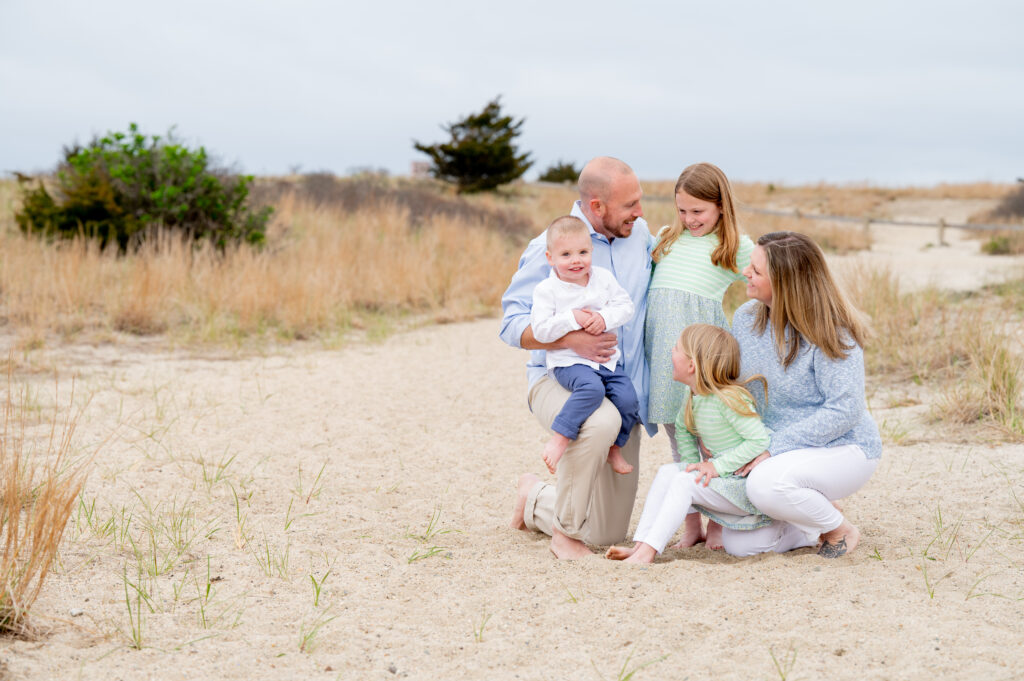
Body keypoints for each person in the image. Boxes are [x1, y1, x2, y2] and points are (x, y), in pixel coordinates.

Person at [501, 156, 655, 559]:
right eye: (630, 205)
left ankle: (535, 497)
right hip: (558, 381)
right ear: (597, 206)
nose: (640, 213)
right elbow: (511, 325)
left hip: (620, 386)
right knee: (600, 419)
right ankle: (564, 533)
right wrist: (572, 340)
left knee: (606, 533)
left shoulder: (640, 236)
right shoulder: (551, 248)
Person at [724, 231, 882, 558]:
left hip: (843, 446)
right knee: (739, 545)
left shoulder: (832, 331)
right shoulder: (745, 318)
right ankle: (810, 511)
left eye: (756, 270)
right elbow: (741, 390)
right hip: (779, 451)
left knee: (764, 485)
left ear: (784, 282)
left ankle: (837, 527)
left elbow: (845, 411)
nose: (746, 274)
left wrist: (772, 447)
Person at [644, 162, 755, 549]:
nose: (690, 219)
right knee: (682, 440)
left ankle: (722, 524)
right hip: (666, 359)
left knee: (715, 440)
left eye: (699, 212)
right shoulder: (665, 240)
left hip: (703, 358)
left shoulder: (735, 246)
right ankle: (690, 525)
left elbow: (765, 277)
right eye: (682, 211)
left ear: (721, 206)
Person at [605, 324, 771, 564]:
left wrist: (716, 467)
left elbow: (758, 440)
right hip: (721, 479)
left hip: (739, 486)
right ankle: (641, 544)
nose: (671, 352)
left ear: (692, 365)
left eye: (676, 349)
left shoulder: (731, 398)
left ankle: (648, 553)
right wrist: (693, 463)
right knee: (667, 472)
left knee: (683, 482)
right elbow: (682, 429)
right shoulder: (693, 394)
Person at [530, 215, 639, 476]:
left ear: (591, 251)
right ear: (550, 258)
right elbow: (541, 330)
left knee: (628, 399)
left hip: (606, 361)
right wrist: (571, 318)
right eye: (566, 254)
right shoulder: (547, 290)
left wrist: (604, 318)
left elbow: (626, 307)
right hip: (568, 363)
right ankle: (560, 437)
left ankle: (615, 447)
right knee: (591, 389)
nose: (576, 260)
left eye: (582, 252)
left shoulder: (603, 279)